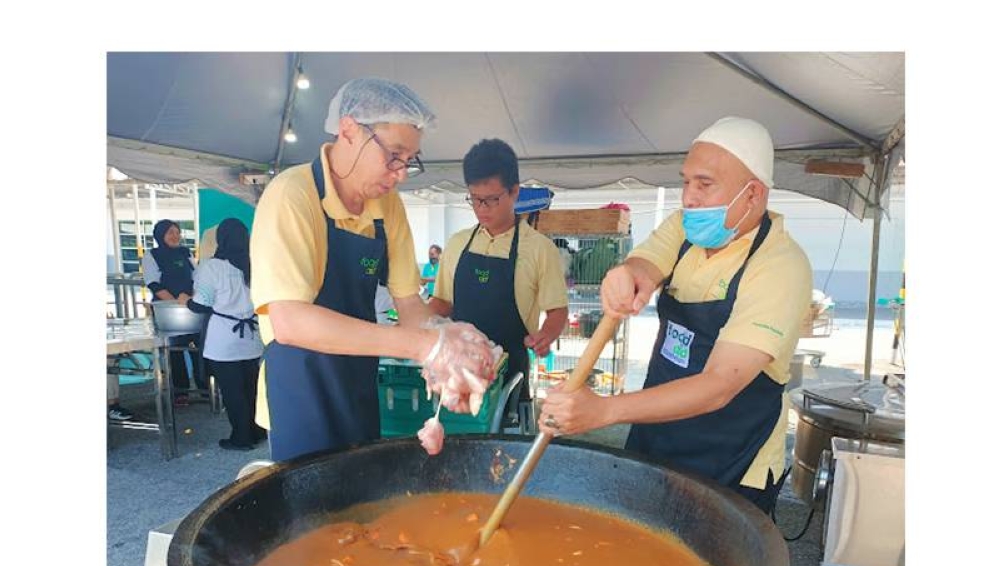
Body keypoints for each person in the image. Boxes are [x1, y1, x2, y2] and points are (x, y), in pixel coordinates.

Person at [539, 117, 813, 515]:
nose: (689, 198)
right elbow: (644, 265)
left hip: (731, 457)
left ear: (752, 194)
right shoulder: (685, 228)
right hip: (658, 431)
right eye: (686, 182)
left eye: (704, 184)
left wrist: (605, 410)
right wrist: (625, 276)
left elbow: (720, 385)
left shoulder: (780, 267)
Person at [250, 77, 499, 463]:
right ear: (349, 130)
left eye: (409, 161)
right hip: (300, 391)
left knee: (363, 504)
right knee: (313, 516)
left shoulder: (388, 208)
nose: (400, 173)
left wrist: (449, 346)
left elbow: (410, 305)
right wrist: (423, 346)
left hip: (358, 382)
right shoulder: (291, 195)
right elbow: (289, 322)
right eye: (394, 155)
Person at [428, 138, 569, 418]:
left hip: (509, 378)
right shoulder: (457, 244)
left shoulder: (540, 249)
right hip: (460, 375)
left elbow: (557, 310)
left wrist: (546, 335)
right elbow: (442, 303)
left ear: (514, 192)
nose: (482, 209)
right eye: (475, 199)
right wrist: (416, 325)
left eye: (492, 199)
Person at [187, 218, 266, 451]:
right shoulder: (255, 264)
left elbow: (202, 304)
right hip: (251, 336)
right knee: (250, 387)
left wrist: (187, 302)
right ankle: (256, 431)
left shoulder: (211, 267)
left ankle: (241, 438)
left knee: (232, 391)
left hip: (224, 337)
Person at [142, 218, 209, 405]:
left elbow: (196, 276)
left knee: (198, 347)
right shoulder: (152, 255)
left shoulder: (185, 252)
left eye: (177, 232)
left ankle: (204, 388)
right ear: (160, 235)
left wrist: (193, 299)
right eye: (170, 232)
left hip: (190, 308)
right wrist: (175, 303)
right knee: (174, 351)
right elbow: (153, 283)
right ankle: (181, 392)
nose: (175, 236)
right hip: (168, 311)